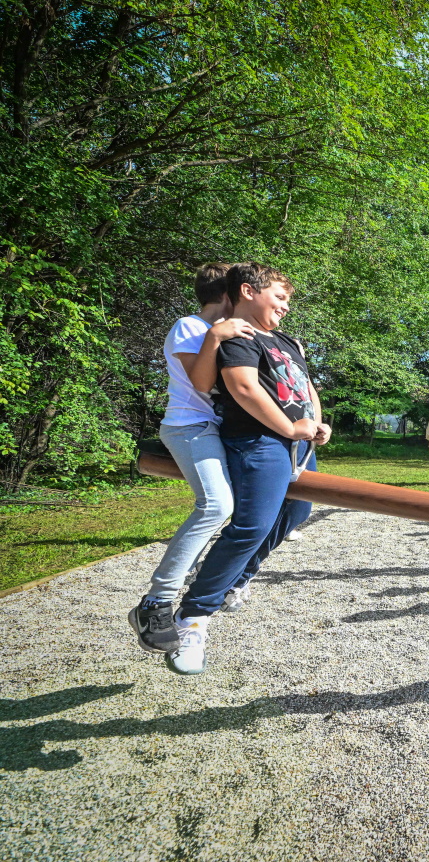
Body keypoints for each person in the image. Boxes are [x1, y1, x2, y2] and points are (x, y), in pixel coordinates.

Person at [167, 262, 331, 674]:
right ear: (247, 291)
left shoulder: (286, 339)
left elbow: (306, 386)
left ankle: (235, 578)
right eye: (280, 296)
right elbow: (242, 387)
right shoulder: (239, 335)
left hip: (296, 444)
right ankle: (191, 617)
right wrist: (290, 427)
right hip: (259, 440)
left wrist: (317, 424)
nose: (286, 306)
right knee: (252, 525)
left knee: (297, 511)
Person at [127, 263, 254, 654]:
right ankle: (156, 602)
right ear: (229, 294)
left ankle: (220, 575)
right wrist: (218, 336)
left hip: (216, 428)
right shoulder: (189, 326)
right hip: (189, 425)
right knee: (216, 505)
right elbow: (207, 380)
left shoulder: (228, 329)